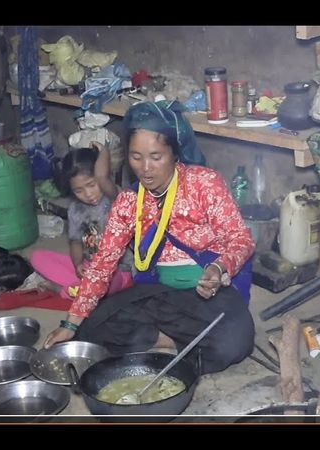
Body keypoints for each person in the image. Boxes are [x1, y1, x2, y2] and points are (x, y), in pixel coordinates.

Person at [43, 100, 256, 375]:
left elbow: (241, 239)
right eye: (136, 157)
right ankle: (167, 340)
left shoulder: (205, 184)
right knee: (90, 327)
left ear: (174, 153)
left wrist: (219, 268)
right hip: (158, 291)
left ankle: (174, 337)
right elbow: (103, 264)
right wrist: (70, 324)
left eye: (156, 157)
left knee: (235, 342)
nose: (145, 168)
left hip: (207, 292)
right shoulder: (128, 201)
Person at [30, 142, 133, 300]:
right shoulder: (75, 210)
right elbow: (76, 242)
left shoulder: (115, 198)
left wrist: (103, 151)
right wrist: (78, 265)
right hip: (89, 267)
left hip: (119, 272)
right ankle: (81, 290)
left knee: (106, 283)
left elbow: (103, 177)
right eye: (79, 190)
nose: (88, 194)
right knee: (37, 257)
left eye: (91, 185)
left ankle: (71, 291)